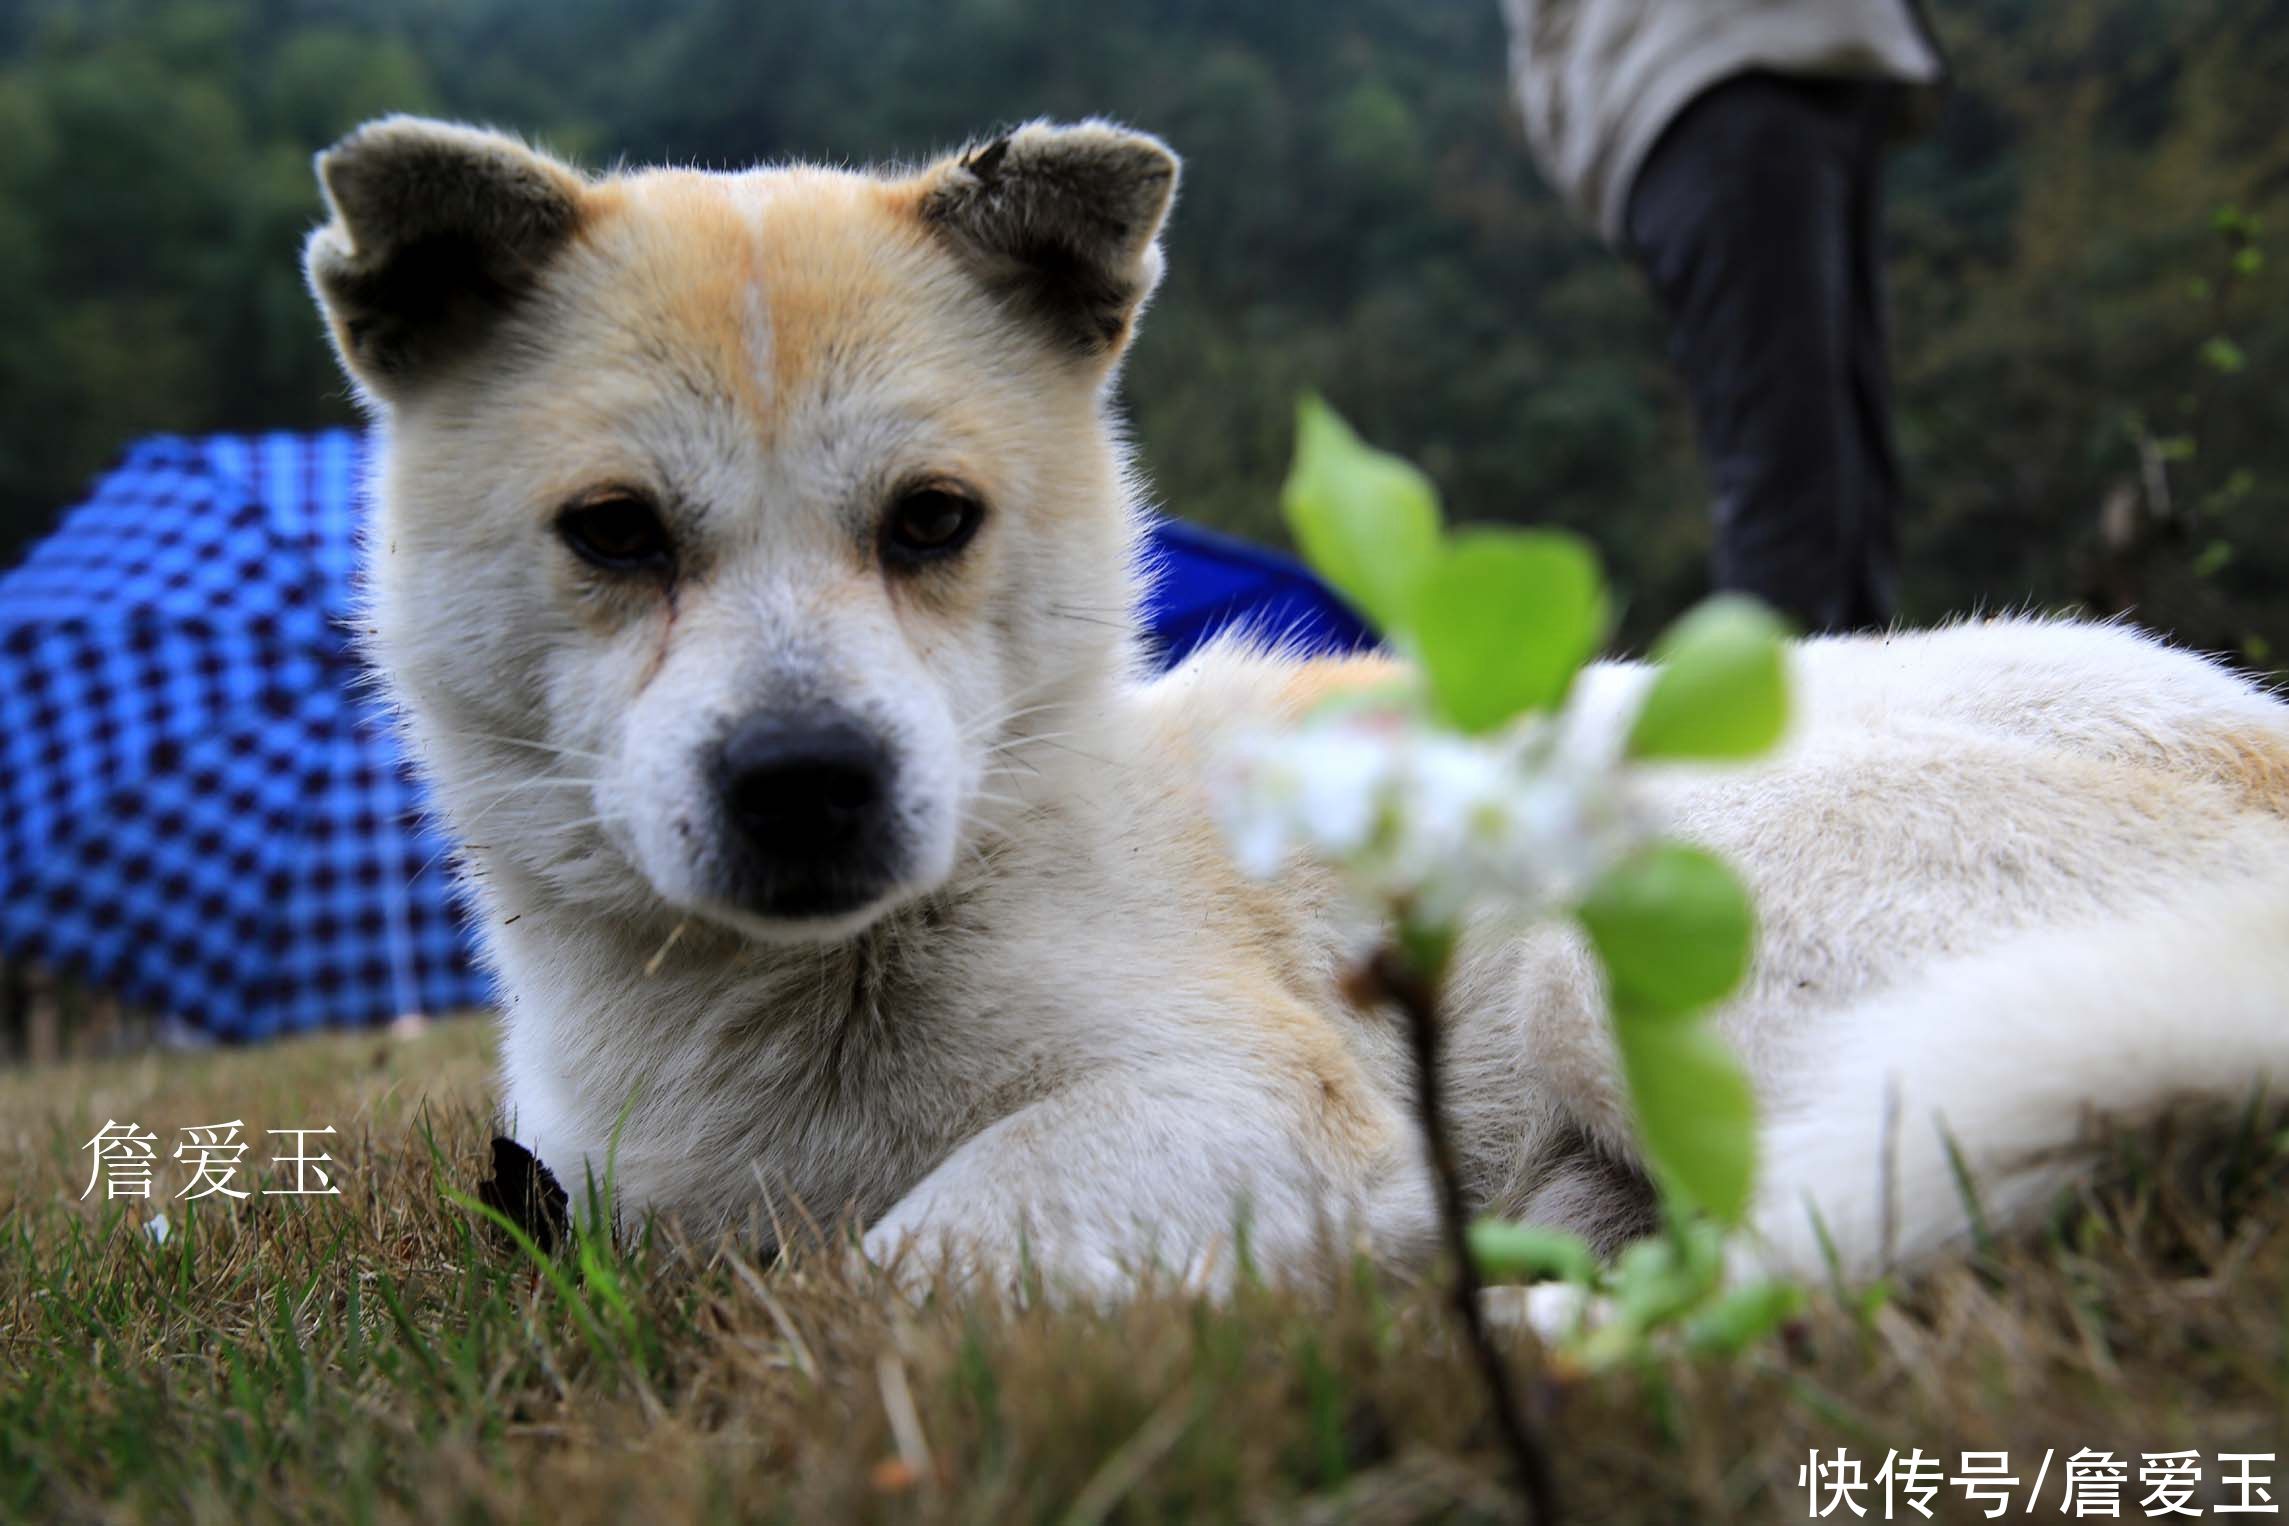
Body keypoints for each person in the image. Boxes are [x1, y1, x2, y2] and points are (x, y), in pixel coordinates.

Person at [1500, 1, 1946, 632]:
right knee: (1793, 491)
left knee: (1852, 497)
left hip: (1791, 65)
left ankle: (1846, 714)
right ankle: (1788, 721)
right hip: (1707, 78)